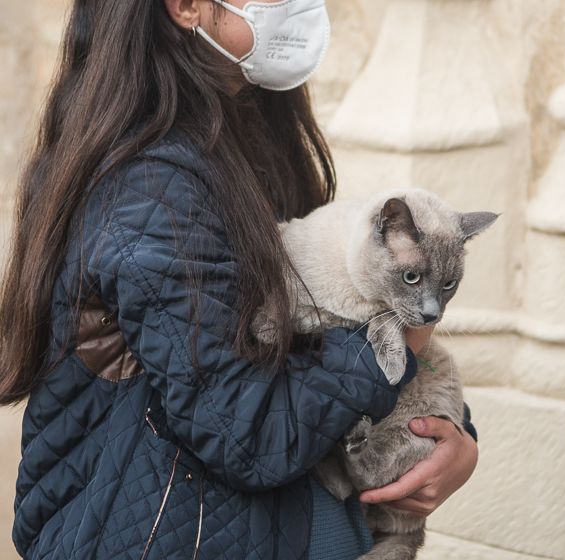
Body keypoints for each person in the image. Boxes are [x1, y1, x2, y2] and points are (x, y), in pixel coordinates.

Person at [0, 1, 478, 558]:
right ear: (186, 7)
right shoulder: (154, 191)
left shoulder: (241, 134)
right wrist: (395, 345)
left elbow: (311, 344)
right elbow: (245, 436)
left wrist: (454, 437)